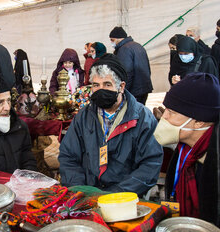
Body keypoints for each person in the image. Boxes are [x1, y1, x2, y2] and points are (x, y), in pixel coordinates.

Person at [58, 54, 163, 195]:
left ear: (121, 87)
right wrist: (80, 190)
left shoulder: (143, 118)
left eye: (107, 84)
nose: (101, 90)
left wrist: (117, 194)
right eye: (96, 85)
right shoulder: (83, 116)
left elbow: (150, 164)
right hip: (87, 195)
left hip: (124, 197)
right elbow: (68, 156)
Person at [153, 72, 220, 226]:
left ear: (198, 122)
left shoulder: (215, 162)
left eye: (172, 113)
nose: (164, 118)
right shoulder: (184, 149)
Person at [109, 26, 153, 104]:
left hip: (134, 91)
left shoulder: (124, 49)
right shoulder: (138, 46)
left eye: (112, 40)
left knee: (132, 114)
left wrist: (123, 91)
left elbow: (126, 72)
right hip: (144, 88)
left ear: (119, 38)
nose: (111, 43)